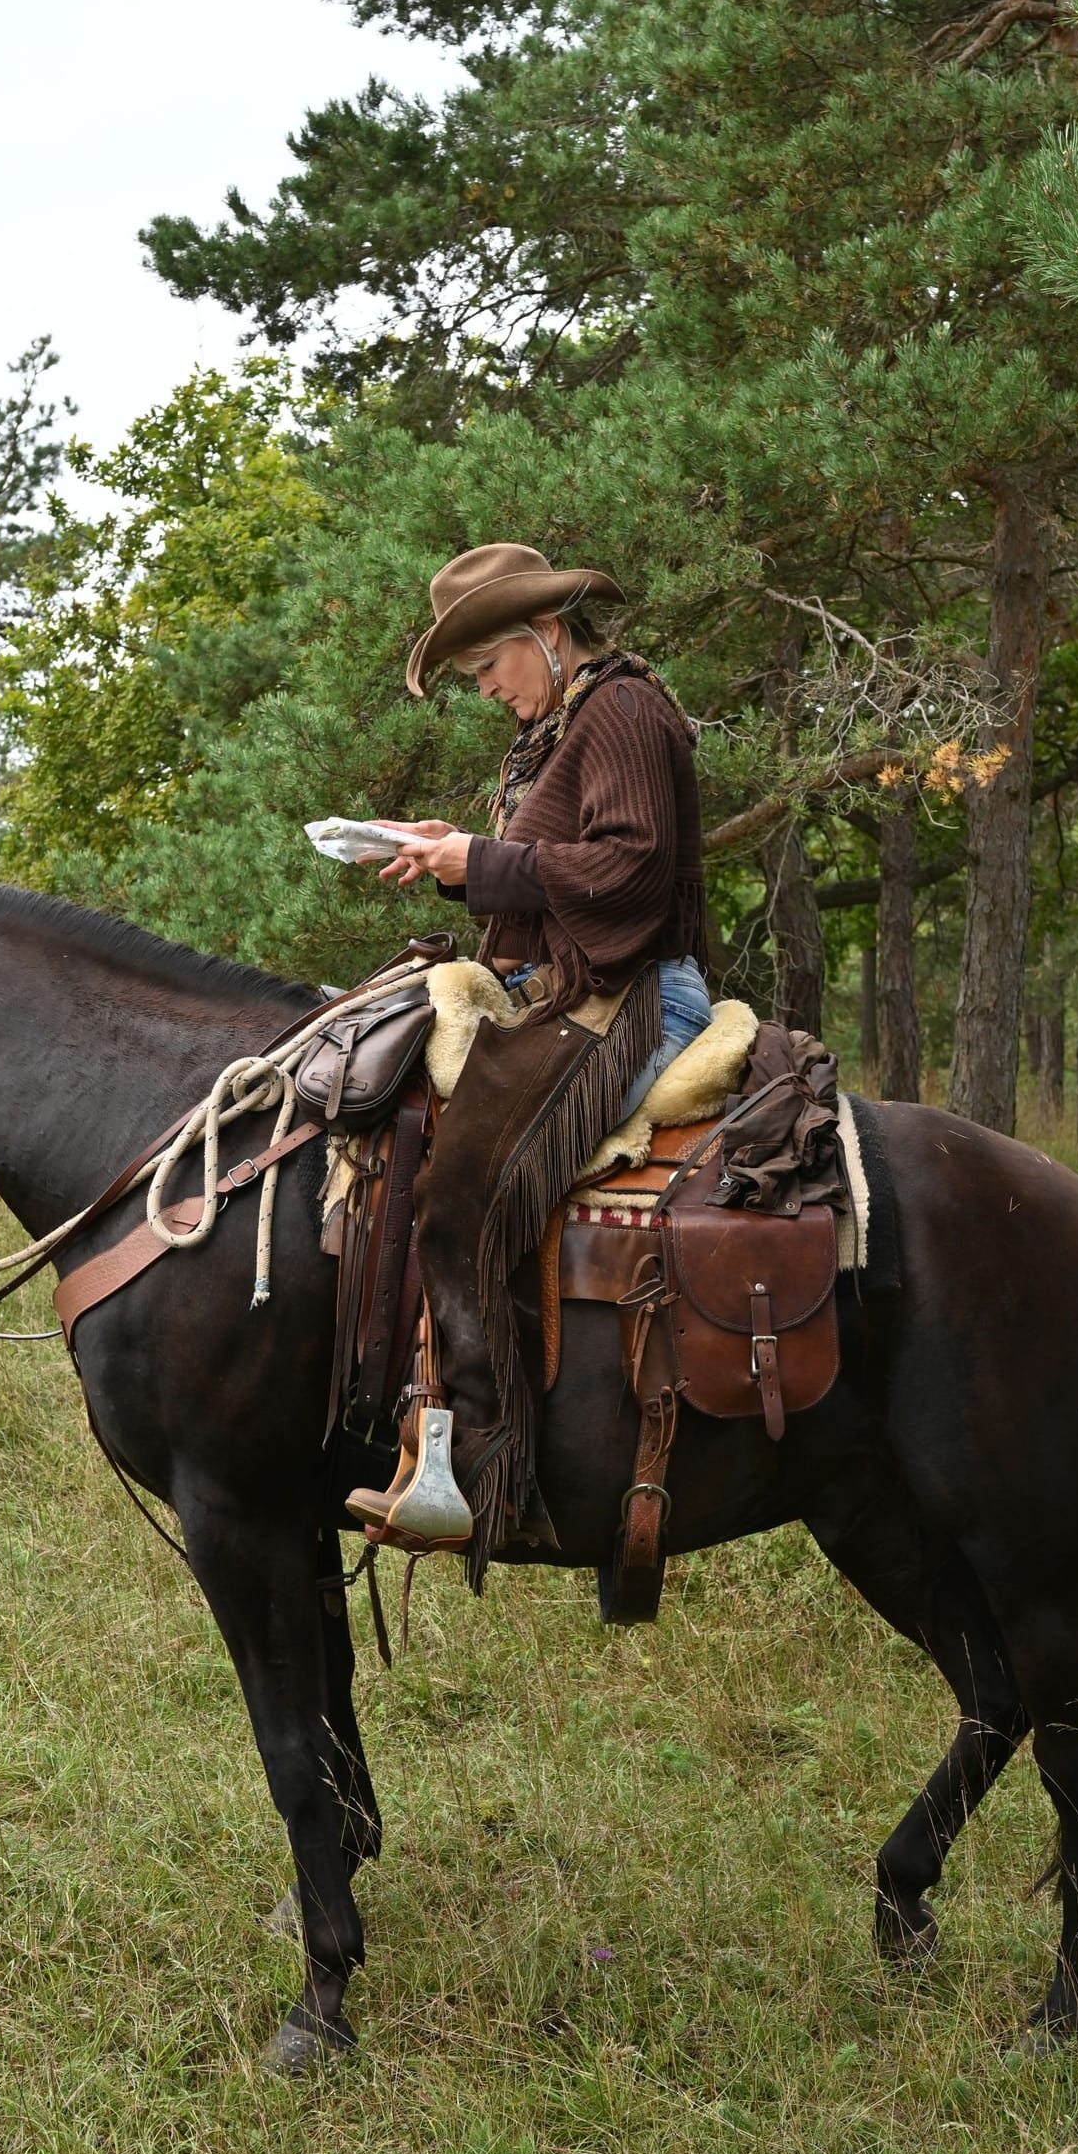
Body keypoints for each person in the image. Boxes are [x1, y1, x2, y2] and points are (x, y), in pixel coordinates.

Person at [345, 541, 710, 1568]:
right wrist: (453, 856)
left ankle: (487, 1469)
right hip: (574, 991)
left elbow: (630, 870)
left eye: (488, 668)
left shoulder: (624, 710)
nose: (487, 691)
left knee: (469, 1181)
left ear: (543, 634)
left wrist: (483, 858)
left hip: (635, 1002)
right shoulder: (562, 726)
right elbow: (555, 869)